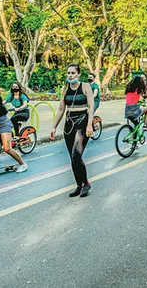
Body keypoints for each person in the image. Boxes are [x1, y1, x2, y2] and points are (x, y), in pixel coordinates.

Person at [50, 64, 95, 197]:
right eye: (68, 73)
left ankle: (86, 183)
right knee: (72, 158)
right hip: (69, 125)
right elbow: (60, 110)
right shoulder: (65, 89)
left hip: (83, 122)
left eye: (73, 73)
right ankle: (78, 185)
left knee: (77, 154)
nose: (70, 75)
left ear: (79, 74)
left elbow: (91, 107)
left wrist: (89, 125)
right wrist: (54, 126)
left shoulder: (85, 86)